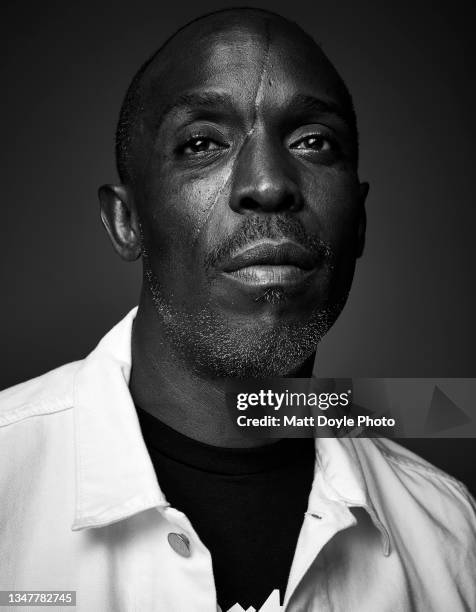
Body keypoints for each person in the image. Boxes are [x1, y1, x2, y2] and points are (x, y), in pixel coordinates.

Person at [0, 8, 475, 612]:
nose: (270, 183)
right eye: (202, 142)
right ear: (127, 221)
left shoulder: (451, 534)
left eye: (313, 141)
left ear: (358, 221)